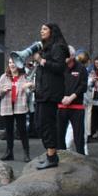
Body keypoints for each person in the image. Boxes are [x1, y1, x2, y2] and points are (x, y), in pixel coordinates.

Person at [34, 23, 68, 170]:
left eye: (45, 29)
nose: (41, 31)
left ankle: (52, 157)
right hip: (43, 92)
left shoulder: (58, 47)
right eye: (41, 28)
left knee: (47, 124)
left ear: (52, 31)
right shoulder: (46, 47)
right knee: (40, 124)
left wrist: (41, 61)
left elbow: (59, 67)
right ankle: (50, 155)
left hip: (51, 92)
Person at [0, 57, 33, 162]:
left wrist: (30, 85)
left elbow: (32, 89)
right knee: (9, 131)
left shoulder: (24, 76)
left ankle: (26, 153)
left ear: (18, 64)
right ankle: (9, 153)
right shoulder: (4, 76)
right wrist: (2, 91)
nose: (11, 65)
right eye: (10, 63)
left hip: (20, 107)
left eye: (13, 62)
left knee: (22, 131)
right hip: (7, 107)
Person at [57, 46, 88, 155]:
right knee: (59, 135)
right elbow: (55, 84)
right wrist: (61, 97)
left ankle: (81, 157)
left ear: (72, 56)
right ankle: (61, 157)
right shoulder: (59, 67)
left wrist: (71, 97)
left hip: (77, 107)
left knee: (79, 136)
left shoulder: (81, 68)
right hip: (61, 105)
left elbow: (83, 86)